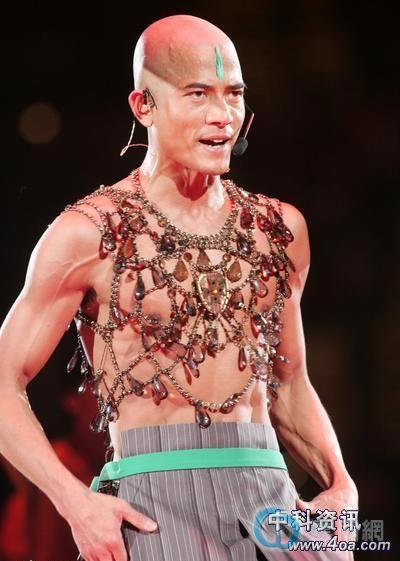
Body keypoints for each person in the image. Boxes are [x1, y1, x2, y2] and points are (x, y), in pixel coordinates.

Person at [0, 14, 358, 561]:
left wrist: (341, 483)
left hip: (272, 504)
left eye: (233, 94)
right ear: (144, 106)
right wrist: (74, 502)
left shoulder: (278, 230)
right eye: (198, 94)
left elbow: (289, 382)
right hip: (153, 510)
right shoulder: (90, 233)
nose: (223, 116)